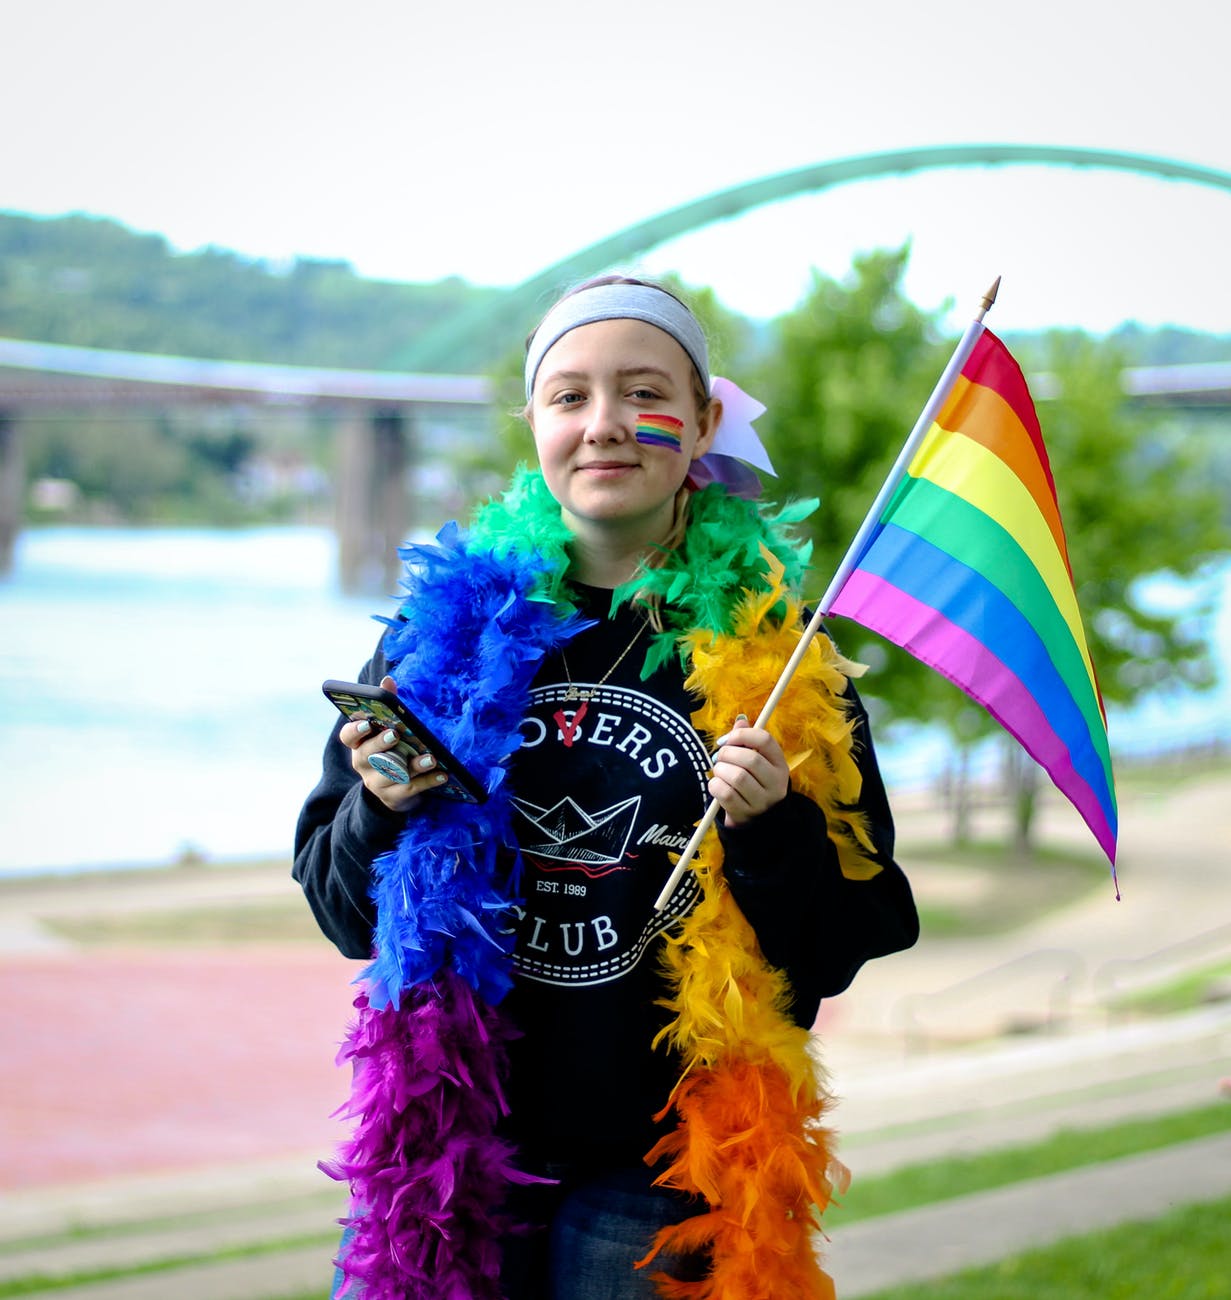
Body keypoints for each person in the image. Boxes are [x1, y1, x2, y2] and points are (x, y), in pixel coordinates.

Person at [294, 276, 919, 1300]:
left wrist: (773, 830)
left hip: (666, 1160)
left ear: (706, 418)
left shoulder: (782, 662)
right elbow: (342, 911)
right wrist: (379, 805)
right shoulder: (433, 645)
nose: (606, 426)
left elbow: (850, 940)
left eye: (644, 393)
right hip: (454, 1154)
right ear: (533, 421)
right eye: (571, 396)